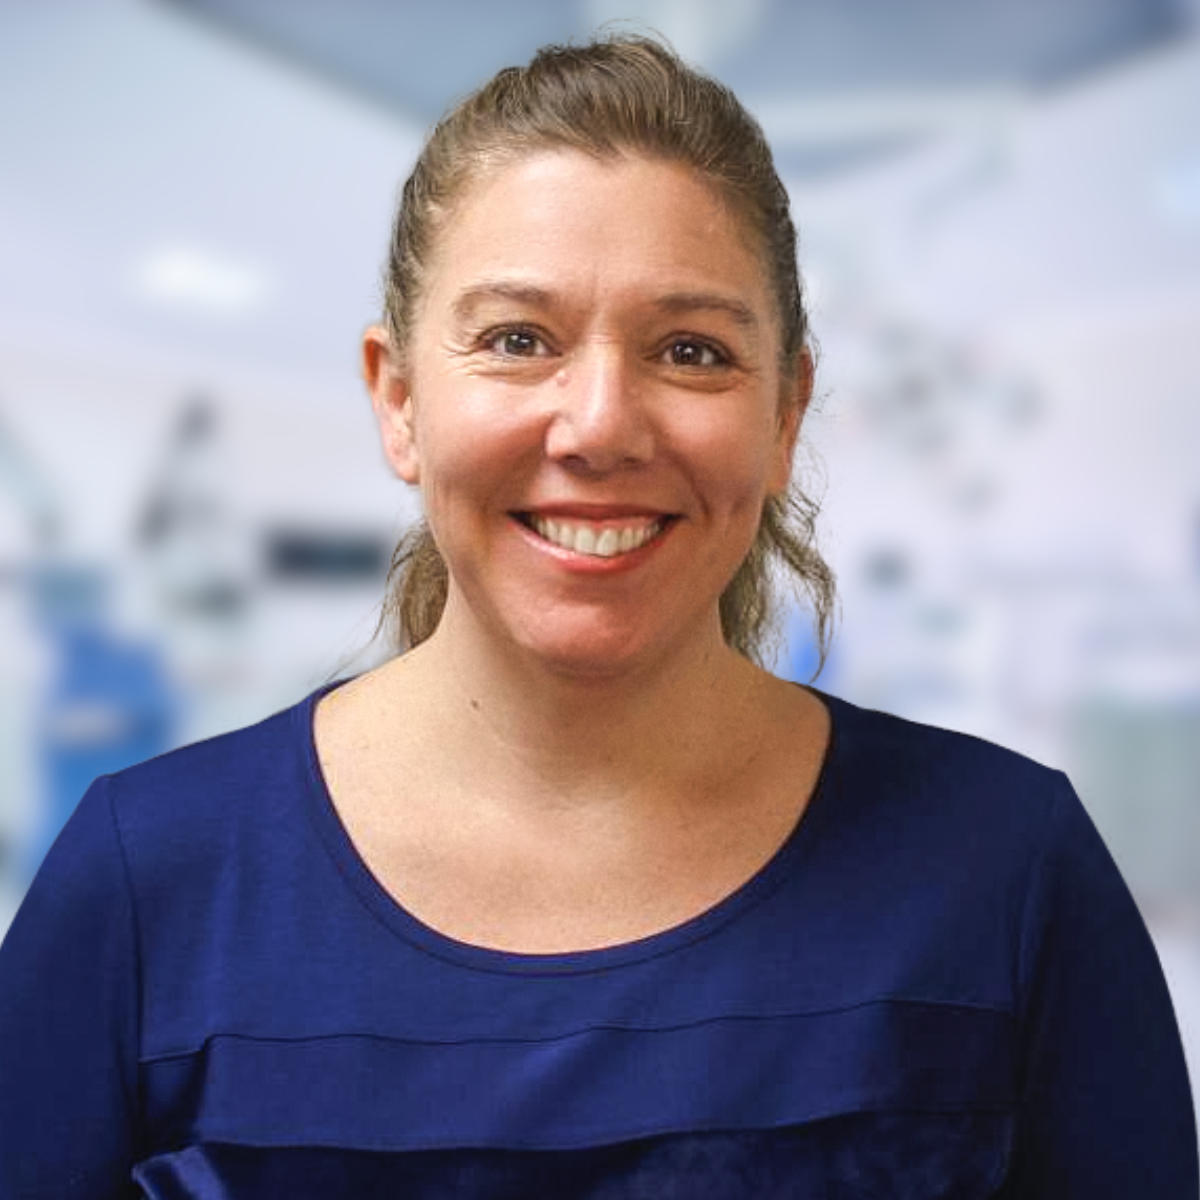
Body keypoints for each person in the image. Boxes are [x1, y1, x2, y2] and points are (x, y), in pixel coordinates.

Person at [0, 33, 1196, 1200]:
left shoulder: (1008, 873)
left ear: (786, 415)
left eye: (691, 350)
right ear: (399, 399)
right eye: (518, 340)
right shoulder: (148, 884)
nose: (602, 425)